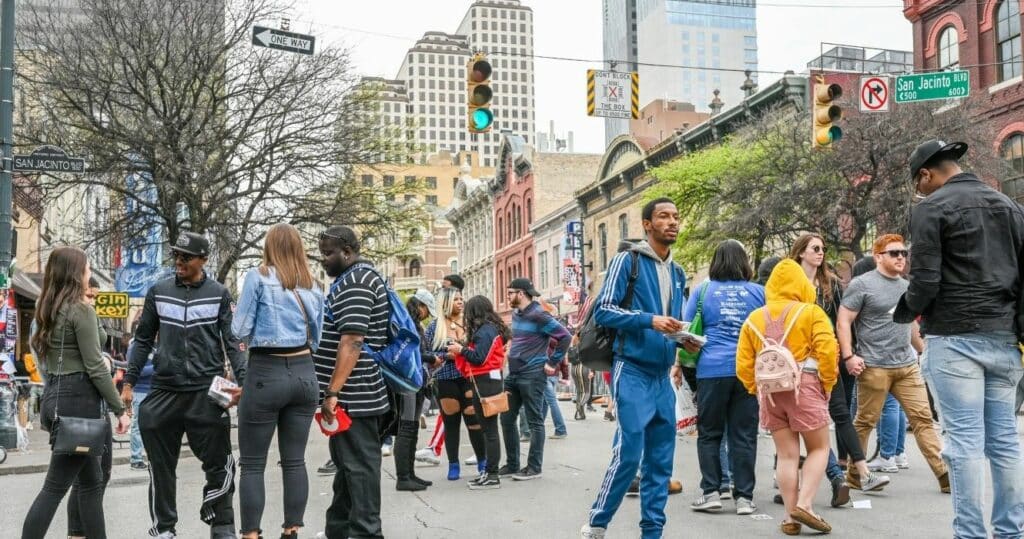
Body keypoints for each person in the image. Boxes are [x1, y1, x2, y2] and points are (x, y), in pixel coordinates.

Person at [895, 140, 1024, 538]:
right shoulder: (1009, 206)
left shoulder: (930, 209)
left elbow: (926, 281)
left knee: (964, 441)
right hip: (1004, 338)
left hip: (954, 338)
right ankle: (1011, 532)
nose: (922, 191)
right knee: (1004, 442)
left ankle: (970, 533)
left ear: (926, 174)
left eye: (921, 185)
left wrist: (903, 312)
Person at [121, 231, 247, 539]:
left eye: (186, 257)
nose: (178, 261)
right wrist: (129, 382)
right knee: (161, 469)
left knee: (220, 463)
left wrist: (243, 386)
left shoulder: (219, 293)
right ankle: (165, 529)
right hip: (165, 389)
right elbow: (141, 340)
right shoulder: (158, 292)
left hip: (209, 389)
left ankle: (222, 526)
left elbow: (232, 343)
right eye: (176, 255)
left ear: (203, 260)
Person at [581, 198, 687, 539]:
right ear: (647, 224)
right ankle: (598, 523)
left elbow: (672, 323)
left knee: (661, 462)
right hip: (632, 370)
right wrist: (649, 321)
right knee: (629, 454)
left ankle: (652, 532)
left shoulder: (678, 271)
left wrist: (685, 338)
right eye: (663, 216)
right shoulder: (627, 261)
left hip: (661, 376)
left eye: (675, 217)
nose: (671, 222)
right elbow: (605, 311)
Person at [22, 247, 130, 539]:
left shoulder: (48, 308)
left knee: (92, 483)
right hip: (80, 400)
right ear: (74, 273)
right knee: (55, 487)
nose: (89, 275)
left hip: (57, 394)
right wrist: (119, 408)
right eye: (86, 269)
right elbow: (95, 366)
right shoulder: (80, 310)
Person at [231, 223, 325, 539]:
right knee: (295, 461)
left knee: (253, 464)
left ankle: (251, 534)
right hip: (303, 373)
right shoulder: (313, 287)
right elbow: (319, 337)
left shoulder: (258, 277)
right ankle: (291, 530)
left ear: (269, 248)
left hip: (265, 372)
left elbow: (239, 329)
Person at [837, 233, 948, 496]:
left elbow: (909, 322)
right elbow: (843, 321)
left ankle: (943, 474)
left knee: (923, 419)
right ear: (878, 257)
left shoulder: (906, 285)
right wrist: (849, 356)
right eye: (894, 253)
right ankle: (855, 475)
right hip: (874, 366)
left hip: (907, 366)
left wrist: (924, 351)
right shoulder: (862, 284)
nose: (901, 258)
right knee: (864, 422)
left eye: (903, 253)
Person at [736, 259, 837, 535]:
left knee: (787, 455)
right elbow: (828, 351)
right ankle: (805, 504)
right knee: (819, 448)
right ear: (801, 284)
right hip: (805, 386)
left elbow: (743, 364)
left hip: (770, 393)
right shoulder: (811, 312)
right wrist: (827, 383)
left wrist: (755, 389)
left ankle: (791, 518)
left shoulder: (754, 318)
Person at [790, 233, 886, 501]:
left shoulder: (830, 284)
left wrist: (848, 354)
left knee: (841, 414)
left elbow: (843, 322)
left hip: (829, 357)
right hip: (799, 362)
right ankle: (808, 480)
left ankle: (863, 473)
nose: (821, 253)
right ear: (801, 252)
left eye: (823, 249)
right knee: (805, 421)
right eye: (815, 249)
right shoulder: (789, 283)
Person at [314, 226, 391, 539]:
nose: (324, 259)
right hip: (351, 392)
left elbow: (353, 341)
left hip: (355, 392)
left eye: (329, 253)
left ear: (347, 251)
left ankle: (367, 533)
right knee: (348, 468)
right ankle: (340, 529)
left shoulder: (357, 281)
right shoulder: (350, 280)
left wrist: (332, 391)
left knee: (359, 468)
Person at [677, 239, 765, 516]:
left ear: (715, 262)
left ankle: (712, 491)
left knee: (710, 434)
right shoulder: (759, 293)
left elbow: (686, 330)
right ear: (744, 262)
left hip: (711, 370)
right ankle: (744, 498)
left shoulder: (702, 291)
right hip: (747, 371)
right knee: (744, 435)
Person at [499, 277, 571, 481]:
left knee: (534, 422)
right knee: (506, 419)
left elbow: (564, 336)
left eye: (511, 292)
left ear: (521, 293)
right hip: (513, 375)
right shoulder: (516, 313)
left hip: (532, 374)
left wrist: (552, 362)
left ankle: (534, 467)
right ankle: (513, 464)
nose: (508, 295)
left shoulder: (539, 314)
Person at [446, 295, 511, 490]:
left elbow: (479, 358)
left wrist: (460, 350)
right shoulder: (491, 329)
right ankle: (489, 473)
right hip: (486, 381)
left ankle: (492, 474)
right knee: (488, 430)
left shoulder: (485, 331)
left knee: (489, 431)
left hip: (485, 383)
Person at [425, 287, 486, 480]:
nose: (461, 302)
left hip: (469, 378)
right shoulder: (435, 327)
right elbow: (425, 354)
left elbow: (481, 350)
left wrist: (464, 351)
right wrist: (446, 355)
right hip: (446, 379)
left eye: (462, 298)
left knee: (474, 422)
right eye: (456, 299)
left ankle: (482, 461)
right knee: (451, 424)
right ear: (446, 302)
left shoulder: (471, 324)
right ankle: (453, 465)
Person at [393, 289, 437, 490]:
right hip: (408, 381)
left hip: (414, 380)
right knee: (406, 428)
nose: (428, 315)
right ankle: (403, 477)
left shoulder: (412, 323)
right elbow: (415, 351)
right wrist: (433, 357)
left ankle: (409, 474)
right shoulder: (408, 323)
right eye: (427, 310)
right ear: (420, 306)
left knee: (411, 429)